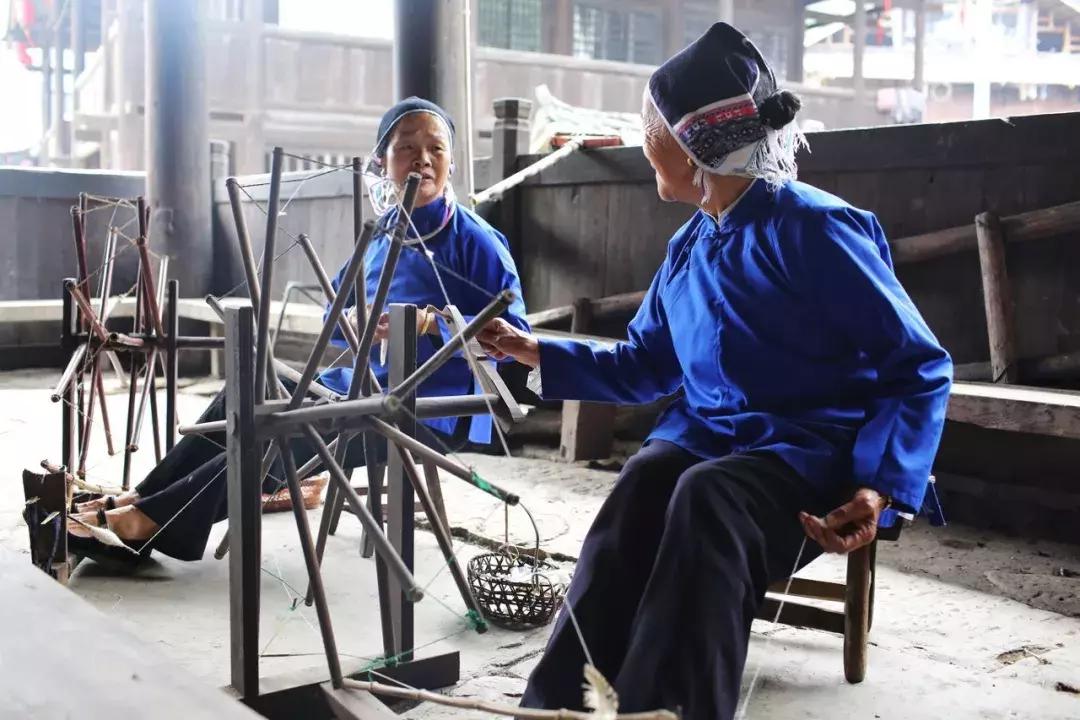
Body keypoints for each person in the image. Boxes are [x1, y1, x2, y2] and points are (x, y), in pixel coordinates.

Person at [477, 23, 952, 720]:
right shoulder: (689, 246)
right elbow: (645, 364)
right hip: (709, 441)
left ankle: (669, 710)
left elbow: (917, 366)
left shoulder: (817, 231)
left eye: (652, 126)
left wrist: (881, 485)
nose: (644, 139)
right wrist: (534, 352)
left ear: (700, 142)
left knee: (706, 496)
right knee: (645, 482)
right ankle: (560, 705)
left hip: (803, 455)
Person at [66, 97, 530, 566]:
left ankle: (147, 523)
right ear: (383, 162)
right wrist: (351, 322)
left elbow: (516, 339)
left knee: (271, 429)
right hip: (359, 389)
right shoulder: (385, 230)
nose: (423, 159)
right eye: (407, 147)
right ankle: (141, 501)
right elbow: (336, 310)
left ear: (451, 162)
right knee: (243, 394)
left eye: (436, 149)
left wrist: (431, 324)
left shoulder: (477, 241)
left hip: (429, 409)